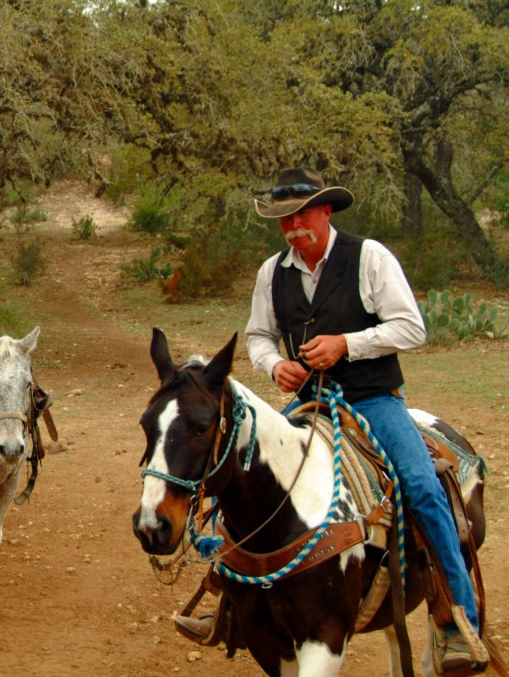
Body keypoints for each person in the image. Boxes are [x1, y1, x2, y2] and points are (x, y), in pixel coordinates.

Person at [173, 167, 485, 674]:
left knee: (423, 486)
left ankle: (456, 618)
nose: (293, 226)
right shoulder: (272, 272)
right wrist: (276, 365)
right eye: (283, 219)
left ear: (325, 211)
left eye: (300, 214)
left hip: (372, 400)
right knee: (240, 469)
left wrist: (348, 344)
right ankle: (229, 601)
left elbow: (411, 326)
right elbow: (257, 336)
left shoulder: (369, 258)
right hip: (308, 401)